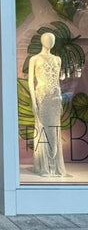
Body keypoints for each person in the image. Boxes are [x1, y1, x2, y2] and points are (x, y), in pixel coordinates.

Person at [28, 33, 67, 177]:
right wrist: (33, 101)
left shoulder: (58, 59)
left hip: (55, 98)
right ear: (42, 41)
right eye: (47, 39)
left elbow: (57, 81)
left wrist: (60, 98)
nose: (50, 42)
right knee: (43, 128)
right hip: (42, 97)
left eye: (53, 40)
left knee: (54, 129)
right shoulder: (35, 59)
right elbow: (31, 82)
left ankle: (55, 166)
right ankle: (43, 165)